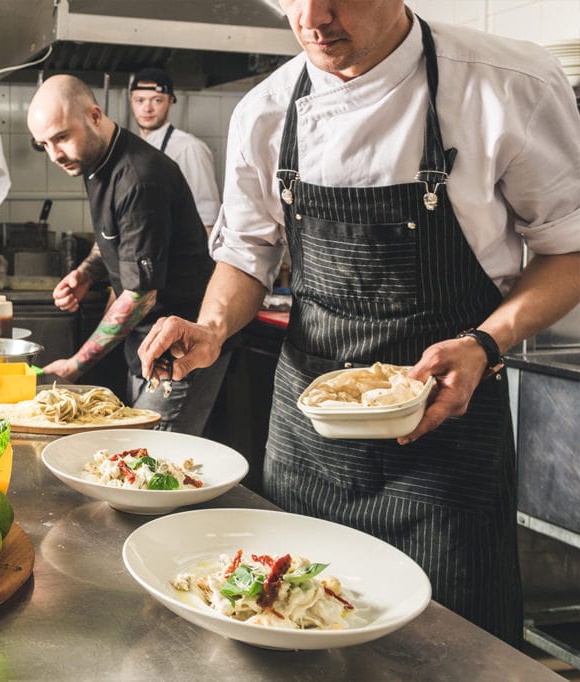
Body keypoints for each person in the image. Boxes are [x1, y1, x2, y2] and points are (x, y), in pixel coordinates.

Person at [138, 0, 580, 644]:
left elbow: (568, 251)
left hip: (445, 436)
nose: (312, 18)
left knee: (449, 648)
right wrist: (211, 327)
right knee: (289, 633)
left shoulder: (507, 85)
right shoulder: (265, 110)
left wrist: (487, 343)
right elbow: (247, 253)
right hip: (306, 442)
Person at [27, 74, 231, 435]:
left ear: (94, 116)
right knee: (137, 449)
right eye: (44, 144)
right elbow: (111, 236)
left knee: (155, 456)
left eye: (61, 137)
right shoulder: (94, 163)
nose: (54, 155)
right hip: (143, 345)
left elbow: (140, 294)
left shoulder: (140, 177)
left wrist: (76, 365)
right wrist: (87, 272)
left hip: (179, 349)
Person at [130, 67, 221, 232]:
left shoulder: (189, 148)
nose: (147, 108)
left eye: (157, 100)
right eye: (140, 100)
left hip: (175, 246)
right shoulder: (132, 148)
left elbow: (207, 218)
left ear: (170, 101)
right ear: (132, 102)